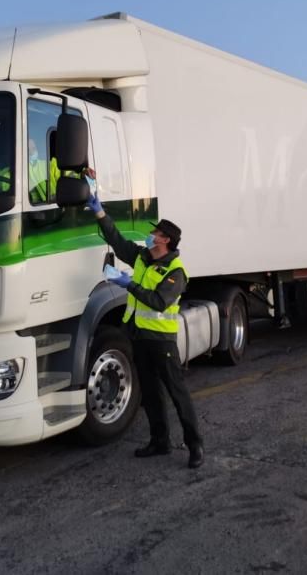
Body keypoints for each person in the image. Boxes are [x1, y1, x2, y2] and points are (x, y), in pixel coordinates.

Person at [87, 192, 204, 469]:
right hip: (139, 337)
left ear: (165, 240)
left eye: (156, 233)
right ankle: (159, 441)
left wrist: (129, 285)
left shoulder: (175, 271)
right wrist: (100, 213)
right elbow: (116, 240)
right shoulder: (142, 256)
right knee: (150, 393)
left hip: (162, 342)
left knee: (177, 394)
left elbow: (159, 301)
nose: (151, 235)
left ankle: (196, 445)